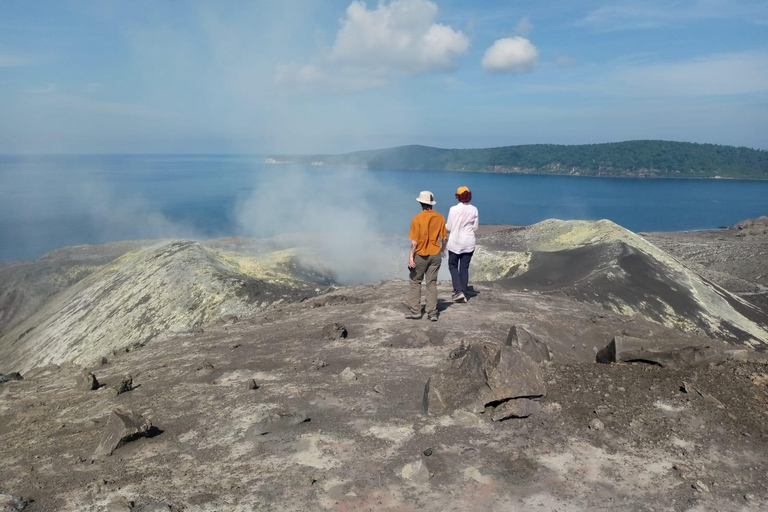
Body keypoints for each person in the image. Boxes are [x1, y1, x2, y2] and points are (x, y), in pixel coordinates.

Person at [407, 191, 447, 321]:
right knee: (432, 283)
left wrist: (410, 258)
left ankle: (416, 311)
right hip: (435, 254)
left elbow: (414, 242)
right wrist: (442, 249)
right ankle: (432, 313)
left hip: (421, 254)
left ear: (420, 203)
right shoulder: (440, 217)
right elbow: (444, 238)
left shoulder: (417, 218)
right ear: (431, 204)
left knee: (415, 280)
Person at [445, 186, 478, 303]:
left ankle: (458, 290)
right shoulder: (474, 209)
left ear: (458, 196)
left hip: (455, 242)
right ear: (469, 195)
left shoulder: (453, 209)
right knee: (464, 267)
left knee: (452, 265)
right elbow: (475, 228)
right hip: (469, 242)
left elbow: (448, 227)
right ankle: (463, 291)